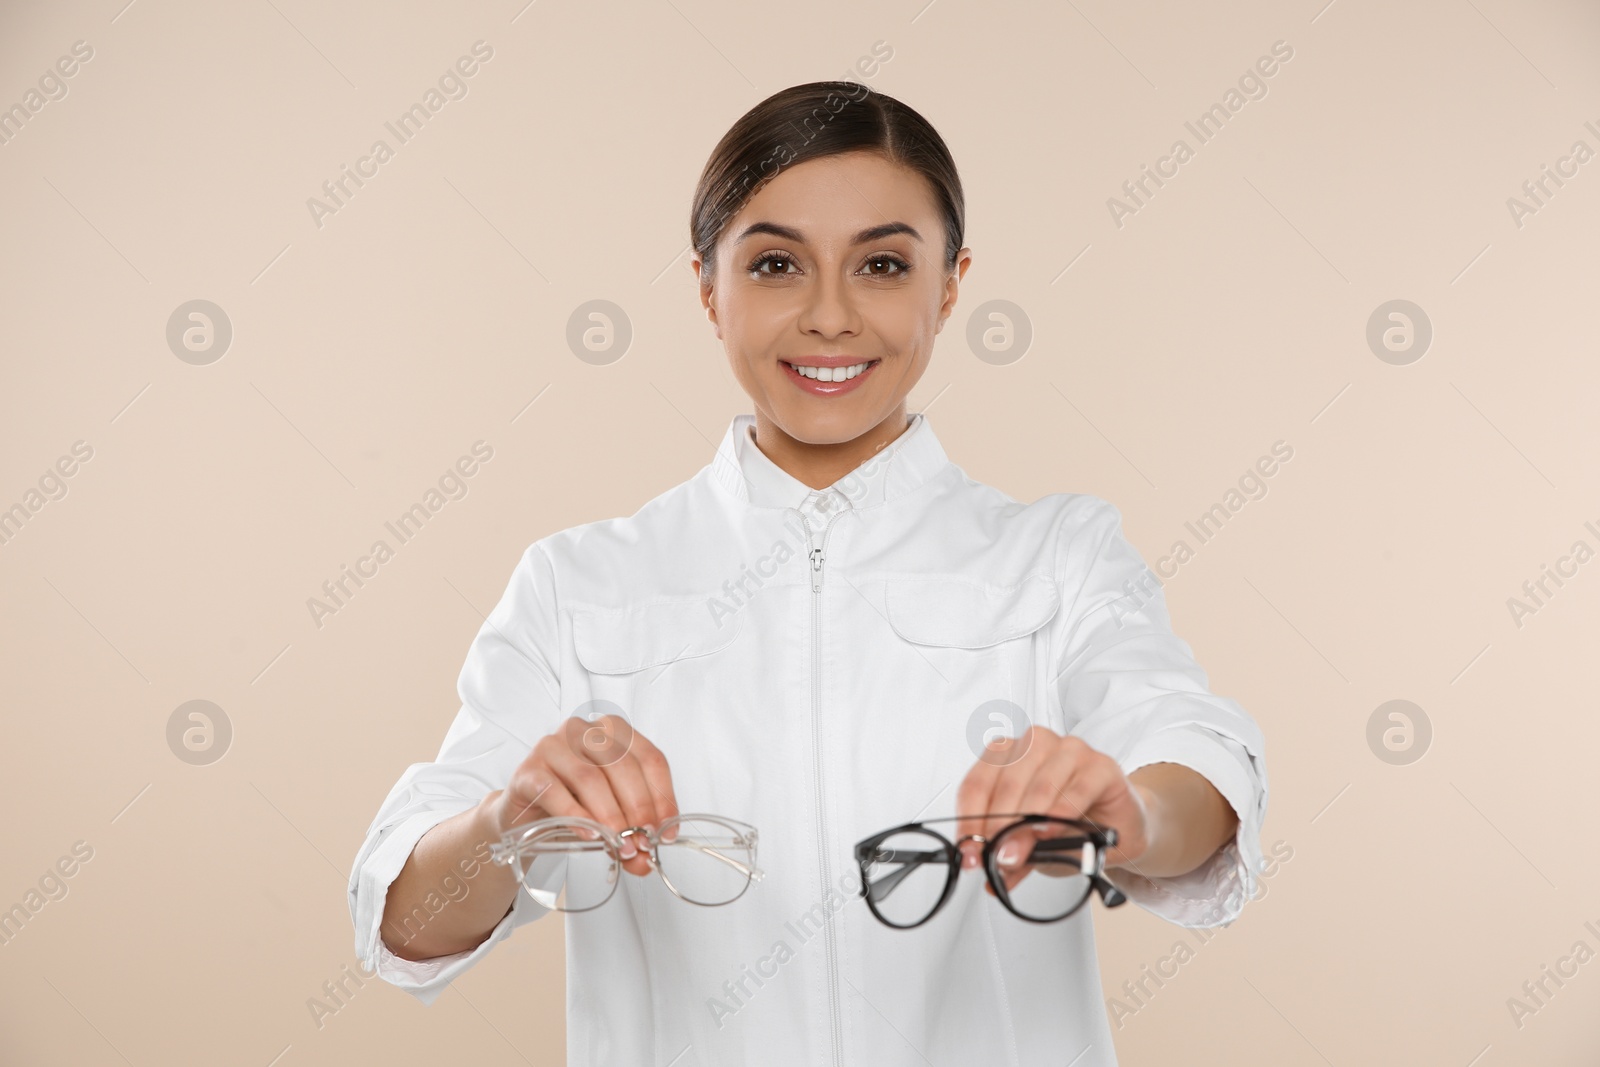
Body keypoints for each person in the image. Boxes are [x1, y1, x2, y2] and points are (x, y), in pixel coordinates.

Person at [348, 80, 1268, 1066]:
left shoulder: (1060, 555)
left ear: (949, 286)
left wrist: (1124, 810)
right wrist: (507, 822)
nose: (829, 317)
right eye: (777, 263)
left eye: (881, 264)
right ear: (707, 286)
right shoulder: (580, 585)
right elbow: (407, 920)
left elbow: (1197, 775)